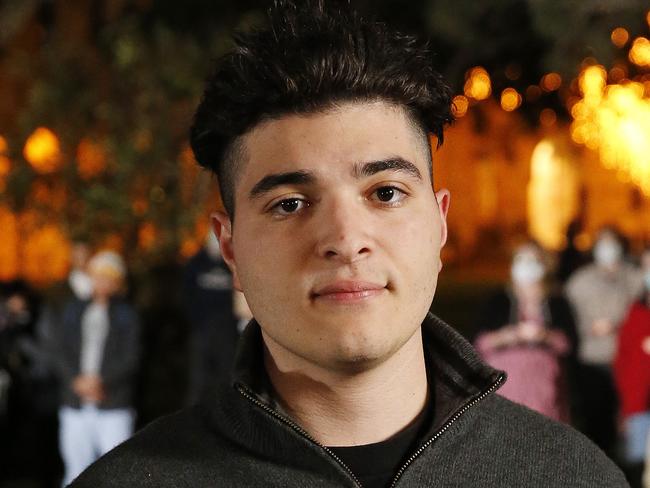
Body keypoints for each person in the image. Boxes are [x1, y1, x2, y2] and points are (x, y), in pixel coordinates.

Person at [71, 2, 626, 486]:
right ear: (231, 247)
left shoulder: (570, 476)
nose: (345, 239)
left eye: (385, 192)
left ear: (439, 225)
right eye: (289, 203)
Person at [52, 251, 140, 486]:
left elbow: (131, 357)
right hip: (75, 402)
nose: (102, 281)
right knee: (75, 469)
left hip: (113, 403)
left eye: (108, 276)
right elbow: (61, 350)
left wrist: (102, 383)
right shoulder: (73, 310)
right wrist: (76, 381)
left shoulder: (127, 315)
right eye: (98, 275)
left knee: (117, 470)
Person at [474, 240, 577, 422]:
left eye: (532, 260)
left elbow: (568, 344)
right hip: (506, 390)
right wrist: (507, 336)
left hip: (544, 392)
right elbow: (479, 343)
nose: (526, 266)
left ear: (544, 265)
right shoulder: (498, 301)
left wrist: (544, 336)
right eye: (521, 260)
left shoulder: (556, 302)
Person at [566, 226, 643, 456]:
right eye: (603, 243)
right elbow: (570, 319)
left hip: (628, 360)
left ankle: (630, 460)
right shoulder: (580, 282)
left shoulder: (634, 278)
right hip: (592, 359)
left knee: (629, 415)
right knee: (596, 417)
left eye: (613, 243)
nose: (608, 250)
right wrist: (588, 328)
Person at [182, 232, 238, 405]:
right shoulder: (196, 264)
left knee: (226, 378)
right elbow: (186, 296)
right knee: (199, 381)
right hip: (202, 331)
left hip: (228, 334)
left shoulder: (233, 265)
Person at [614, 247, 650, 487]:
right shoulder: (635, 313)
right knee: (636, 465)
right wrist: (627, 408)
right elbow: (623, 363)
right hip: (640, 407)